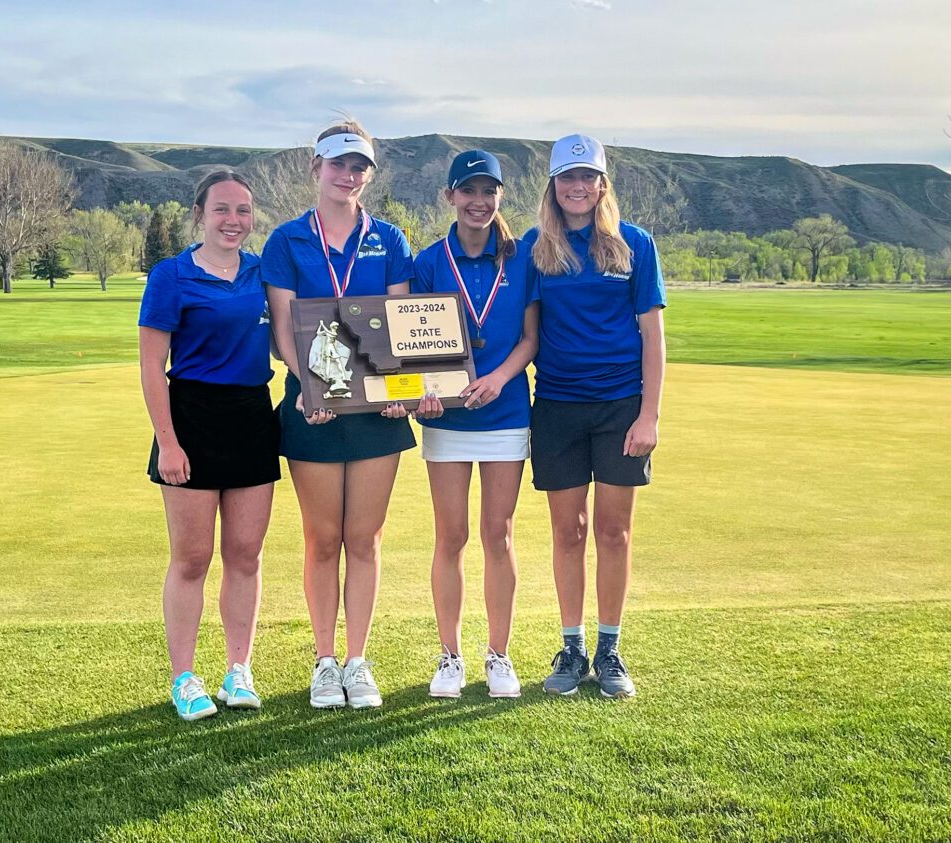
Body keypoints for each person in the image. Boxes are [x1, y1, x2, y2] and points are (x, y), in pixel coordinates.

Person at [262, 120, 439, 710]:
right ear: (316, 169)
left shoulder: (389, 238)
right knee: (321, 538)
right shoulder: (287, 241)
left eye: (359, 166)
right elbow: (286, 328)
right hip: (312, 408)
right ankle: (324, 661)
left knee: (362, 539)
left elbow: (397, 320)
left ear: (369, 174)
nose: (348, 175)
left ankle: (358, 660)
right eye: (338, 165)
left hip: (377, 413)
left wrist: (399, 387)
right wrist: (309, 387)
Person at [528, 134, 666, 700]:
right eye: (567, 178)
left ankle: (610, 649)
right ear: (554, 186)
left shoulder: (634, 244)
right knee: (568, 531)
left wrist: (649, 415)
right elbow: (526, 330)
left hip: (621, 408)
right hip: (557, 406)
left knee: (613, 531)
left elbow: (653, 337)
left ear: (602, 184)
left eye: (587, 177)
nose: (578, 187)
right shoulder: (536, 249)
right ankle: (573, 645)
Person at [138, 171, 279, 720]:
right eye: (222, 209)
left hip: (251, 416)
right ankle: (184, 677)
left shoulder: (263, 273)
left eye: (243, 211)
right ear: (199, 213)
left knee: (245, 555)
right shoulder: (170, 276)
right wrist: (168, 444)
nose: (233, 221)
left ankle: (238, 671)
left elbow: (299, 335)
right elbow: (152, 368)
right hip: (190, 417)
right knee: (192, 558)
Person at [411, 150, 539, 699]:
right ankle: (450, 657)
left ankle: (499, 655)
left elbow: (530, 339)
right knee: (452, 535)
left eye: (489, 193)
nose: (478, 202)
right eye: (468, 192)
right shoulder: (429, 261)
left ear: (500, 198)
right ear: (450, 197)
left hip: (506, 410)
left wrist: (501, 379)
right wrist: (425, 392)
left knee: (498, 532)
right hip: (449, 417)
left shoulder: (522, 258)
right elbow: (411, 342)